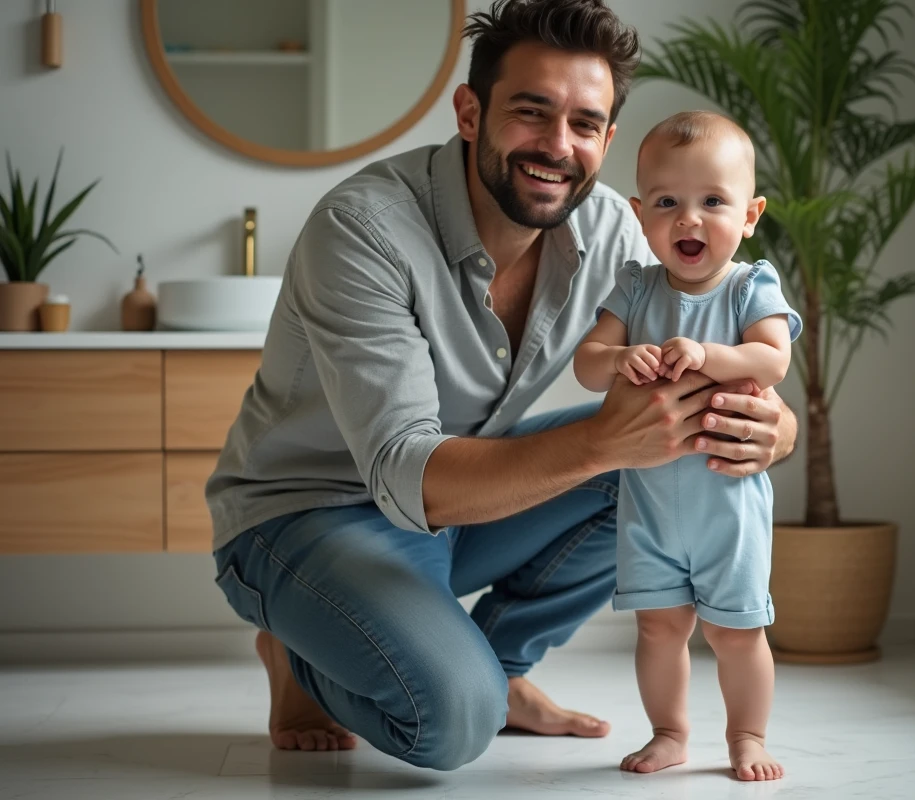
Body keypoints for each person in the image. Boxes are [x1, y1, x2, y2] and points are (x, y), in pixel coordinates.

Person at [206, 0, 798, 772]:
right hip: (309, 516)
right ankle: (301, 653)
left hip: (455, 508)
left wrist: (771, 433)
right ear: (469, 110)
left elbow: (745, 364)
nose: (558, 146)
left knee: (644, 461)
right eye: (531, 112)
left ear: (607, 141)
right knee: (451, 722)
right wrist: (600, 442)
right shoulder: (363, 229)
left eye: (585, 124)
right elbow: (405, 474)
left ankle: (496, 665)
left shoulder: (617, 233)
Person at [574, 111, 800, 782]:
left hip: (726, 505)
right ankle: (669, 733)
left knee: (736, 633)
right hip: (650, 508)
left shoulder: (749, 286)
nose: (689, 220)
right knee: (659, 629)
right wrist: (619, 358)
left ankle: (748, 736)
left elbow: (773, 361)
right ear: (642, 215)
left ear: (751, 214)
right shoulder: (637, 289)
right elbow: (586, 364)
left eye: (712, 202)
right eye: (667, 203)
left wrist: (708, 353)